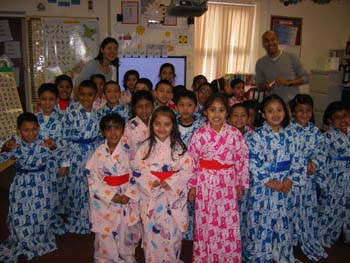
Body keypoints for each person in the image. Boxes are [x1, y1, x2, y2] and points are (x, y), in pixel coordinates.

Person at [125, 106, 192, 263]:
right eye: (157, 124)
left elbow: (188, 168)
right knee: (152, 235)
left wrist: (170, 182)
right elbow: (136, 168)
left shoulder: (179, 148)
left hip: (171, 198)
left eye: (166, 124)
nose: (161, 128)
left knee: (172, 235)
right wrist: (151, 181)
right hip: (151, 197)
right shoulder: (144, 147)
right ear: (151, 125)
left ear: (173, 126)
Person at [188, 93, 249, 263]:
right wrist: (192, 186)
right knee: (206, 224)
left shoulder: (235, 134)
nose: (217, 114)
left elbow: (242, 160)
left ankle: (227, 258)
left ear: (227, 113)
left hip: (228, 183)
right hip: (205, 183)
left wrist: (239, 185)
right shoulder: (199, 134)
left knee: (227, 224)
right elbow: (192, 162)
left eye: (221, 110)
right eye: (212, 110)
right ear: (206, 112)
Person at [0, 113, 64, 262]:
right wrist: (5, 148)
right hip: (21, 184)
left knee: (43, 213)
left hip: (42, 182)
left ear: (39, 128)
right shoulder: (13, 142)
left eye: (34, 129)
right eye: (26, 130)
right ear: (18, 130)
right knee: (18, 215)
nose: (31, 133)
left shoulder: (45, 141)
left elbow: (60, 155)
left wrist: (53, 146)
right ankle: (23, 240)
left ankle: (39, 239)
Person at [245, 94, 298, 263]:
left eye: (279, 110)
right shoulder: (257, 136)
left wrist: (291, 178)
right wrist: (268, 181)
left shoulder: (290, 135)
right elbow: (253, 161)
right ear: (263, 114)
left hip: (285, 184)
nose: (275, 114)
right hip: (264, 186)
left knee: (283, 220)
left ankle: (280, 251)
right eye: (270, 111)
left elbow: (298, 159)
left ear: (285, 111)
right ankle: (260, 256)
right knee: (262, 222)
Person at [85, 113, 141, 263]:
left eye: (116, 128)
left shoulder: (130, 150)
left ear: (122, 129)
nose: (113, 132)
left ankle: (126, 256)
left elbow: (138, 172)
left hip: (126, 193)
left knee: (125, 229)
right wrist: (111, 195)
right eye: (108, 129)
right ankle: (106, 258)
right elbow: (92, 177)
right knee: (106, 231)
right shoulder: (99, 153)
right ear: (103, 132)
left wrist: (129, 194)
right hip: (106, 198)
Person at [288, 94, 328, 261]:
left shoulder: (315, 131)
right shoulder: (287, 129)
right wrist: (299, 164)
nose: (304, 114)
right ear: (293, 112)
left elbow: (321, 150)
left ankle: (306, 238)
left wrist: (314, 163)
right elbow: (285, 153)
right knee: (291, 210)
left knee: (306, 211)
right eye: (300, 111)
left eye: (308, 111)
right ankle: (289, 240)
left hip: (309, 179)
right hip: (291, 178)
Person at [62, 80, 101, 234]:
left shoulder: (98, 114)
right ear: (77, 95)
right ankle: (75, 219)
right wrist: (65, 162)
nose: (86, 98)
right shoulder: (70, 113)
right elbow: (64, 138)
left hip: (92, 153)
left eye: (90, 95)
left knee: (90, 186)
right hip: (75, 153)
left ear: (95, 96)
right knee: (75, 187)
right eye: (82, 95)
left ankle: (90, 219)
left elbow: (100, 138)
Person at [36, 83, 68, 235]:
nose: (47, 103)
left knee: (55, 194)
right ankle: (42, 222)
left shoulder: (62, 119)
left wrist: (64, 164)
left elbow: (67, 143)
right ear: (39, 100)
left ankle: (53, 221)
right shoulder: (34, 119)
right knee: (41, 193)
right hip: (39, 164)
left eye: (51, 99)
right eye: (44, 99)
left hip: (56, 162)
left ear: (56, 100)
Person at [318, 101, 350, 247]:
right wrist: (323, 181)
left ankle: (346, 232)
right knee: (331, 207)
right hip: (335, 178)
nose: (342, 120)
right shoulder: (327, 137)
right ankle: (326, 234)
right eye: (337, 117)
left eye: (345, 116)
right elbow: (321, 160)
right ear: (330, 120)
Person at [174, 90, 204, 241]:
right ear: (176, 107)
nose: (185, 109)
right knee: (178, 203)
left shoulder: (203, 125)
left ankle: (193, 236)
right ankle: (178, 234)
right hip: (176, 171)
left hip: (196, 171)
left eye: (189, 105)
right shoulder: (170, 124)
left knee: (194, 204)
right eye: (182, 105)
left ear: (196, 107)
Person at [255, 30, 309, 102]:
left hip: (292, 103)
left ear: (278, 41)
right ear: (263, 44)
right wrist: (265, 87)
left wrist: (289, 82)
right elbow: (259, 86)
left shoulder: (292, 57)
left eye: (273, 39)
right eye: (266, 41)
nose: (270, 43)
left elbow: (306, 78)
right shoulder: (260, 63)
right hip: (273, 104)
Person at [124, 90, 154, 161]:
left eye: (147, 106)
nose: (144, 110)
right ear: (134, 109)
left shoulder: (157, 122)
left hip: (155, 162)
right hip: (136, 163)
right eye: (140, 106)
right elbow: (126, 149)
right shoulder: (129, 126)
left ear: (153, 106)